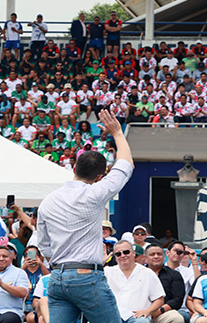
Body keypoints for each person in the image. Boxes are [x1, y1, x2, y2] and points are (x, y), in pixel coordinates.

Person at [36, 109, 134, 323]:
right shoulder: (95, 193)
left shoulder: (48, 200)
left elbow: (44, 247)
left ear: (74, 167)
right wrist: (117, 133)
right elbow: (126, 165)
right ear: (99, 177)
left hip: (57, 278)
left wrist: (62, 264)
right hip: (86, 276)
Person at [105, 240, 165, 323]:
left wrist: (147, 311)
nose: (122, 255)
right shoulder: (107, 272)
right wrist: (102, 262)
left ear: (133, 253)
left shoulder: (147, 273)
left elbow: (159, 299)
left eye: (126, 252)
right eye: (118, 254)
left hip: (137, 317)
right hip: (112, 316)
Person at [145, 243, 186, 323]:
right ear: (146, 258)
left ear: (164, 257)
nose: (156, 256)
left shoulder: (174, 274)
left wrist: (160, 310)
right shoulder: (138, 273)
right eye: (152, 254)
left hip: (163, 312)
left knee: (177, 318)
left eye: (159, 254)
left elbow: (177, 299)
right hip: (141, 311)